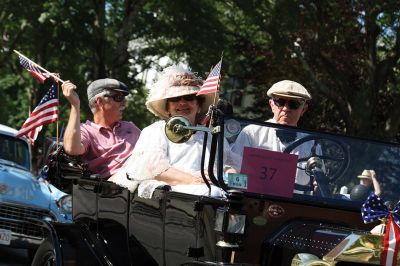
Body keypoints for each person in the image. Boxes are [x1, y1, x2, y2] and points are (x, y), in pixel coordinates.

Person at [110, 65, 230, 198]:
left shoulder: (212, 134)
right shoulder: (155, 131)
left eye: (189, 97)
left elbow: (228, 166)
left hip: (209, 192)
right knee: (212, 193)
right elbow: (157, 170)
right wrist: (196, 181)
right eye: (175, 99)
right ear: (167, 108)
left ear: (199, 105)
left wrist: (229, 176)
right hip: (168, 194)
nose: (182, 103)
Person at [231, 80, 318, 194]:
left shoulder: (311, 143)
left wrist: (318, 184)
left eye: (294, 104)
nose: (286, 109)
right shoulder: (251, 133)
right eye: (280, 102)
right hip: (254, 201)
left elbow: (319, 180)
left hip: (296, 205)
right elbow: (232, 172)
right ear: (271, 104)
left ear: (303, 109)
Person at [61, 78, 141, 179]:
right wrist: (75, 105)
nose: (124, 104)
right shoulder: (87, 131)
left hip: (145, 178)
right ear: (100, 101)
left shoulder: (130, 128)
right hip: (114, 188)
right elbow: (72, 149)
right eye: (119, 97)